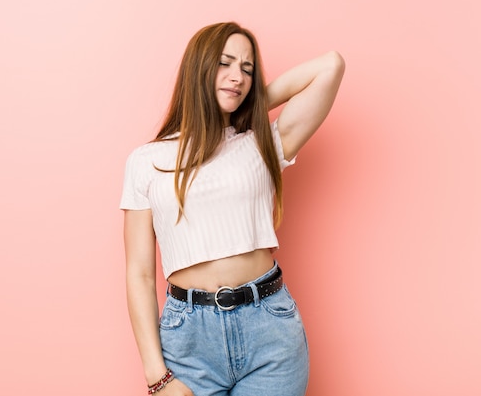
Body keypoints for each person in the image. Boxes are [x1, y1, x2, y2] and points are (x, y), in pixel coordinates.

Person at [120, 22, 344, 396]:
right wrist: (157, 377)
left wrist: (248, 109)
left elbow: (331, 66)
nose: (237, 76)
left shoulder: (260, 144)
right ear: (198, 70)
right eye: (224, 64)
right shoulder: (146, 161)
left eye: (247, 69)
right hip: (188, 341)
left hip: (269, 329)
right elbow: (139, 274)